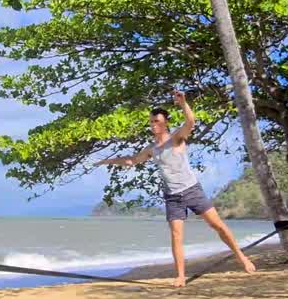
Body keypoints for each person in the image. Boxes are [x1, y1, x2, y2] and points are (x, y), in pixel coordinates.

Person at [96, 90, 256, 287]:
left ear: (165, 123)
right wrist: (107, 160)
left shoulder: (176, 139)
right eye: (151, 122)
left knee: (218, 226)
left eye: (157, 121)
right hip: (172, 197)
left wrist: (183, 104)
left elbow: (190, 122)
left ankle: (241, 257)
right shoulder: (151, 149)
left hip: (192, 190)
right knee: (176, 235)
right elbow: (132, 161)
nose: (153, 125)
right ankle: (180, 276)